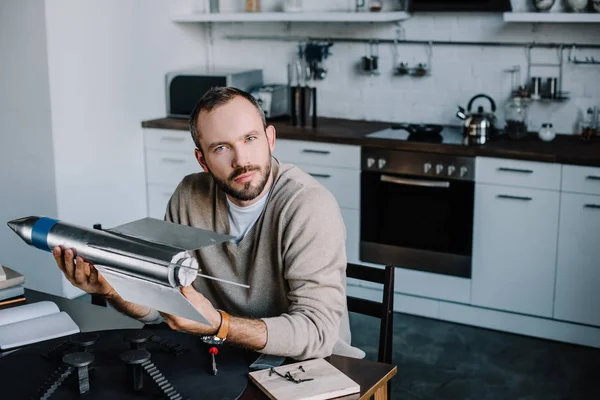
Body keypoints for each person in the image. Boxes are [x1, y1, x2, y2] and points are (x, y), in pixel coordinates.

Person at [52, 87, 365, 360]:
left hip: (312, 367)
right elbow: (164, 306)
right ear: (202, 159)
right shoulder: (188, 196)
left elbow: (319, 332)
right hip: (222, 358)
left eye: (250, 139)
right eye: (221, 147)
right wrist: (113, 290)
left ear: (270, 139)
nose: (241, 160)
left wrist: (219, 324)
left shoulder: (308, 205)